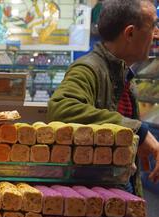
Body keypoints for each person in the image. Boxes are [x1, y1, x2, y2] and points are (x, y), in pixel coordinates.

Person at [48, 0, 159, 192]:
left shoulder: (122, 74)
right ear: (130, 33)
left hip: (112, 193)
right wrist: (138, 131)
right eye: (153, 26)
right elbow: (61, 108)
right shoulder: (88, 69)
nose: (156, 34)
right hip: (94, 198)